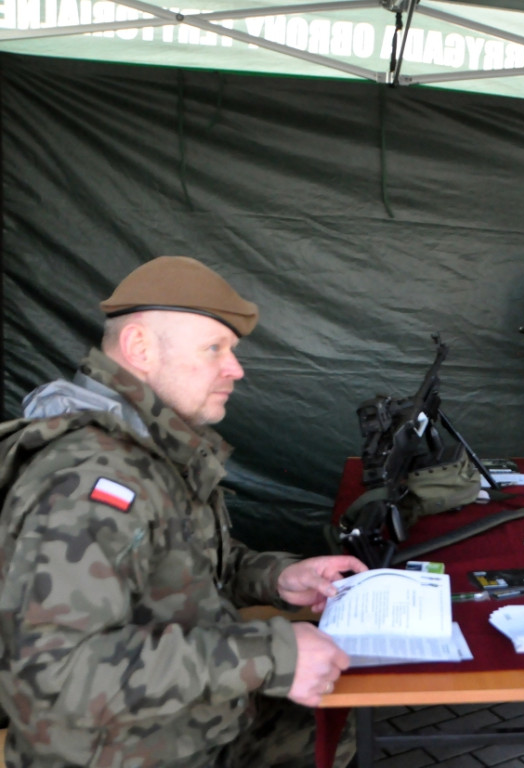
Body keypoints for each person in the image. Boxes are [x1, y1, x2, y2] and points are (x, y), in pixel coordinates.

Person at [0, 256, 367, 767]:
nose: (236, 369)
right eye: (215, 348)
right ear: (139, 348)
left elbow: (177, 561)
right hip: (122, 751)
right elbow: (52, 674)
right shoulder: (87, 477)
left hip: (186, 722)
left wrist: (278, 579)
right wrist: (272, 654)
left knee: (330, 731)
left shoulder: (145, 446)